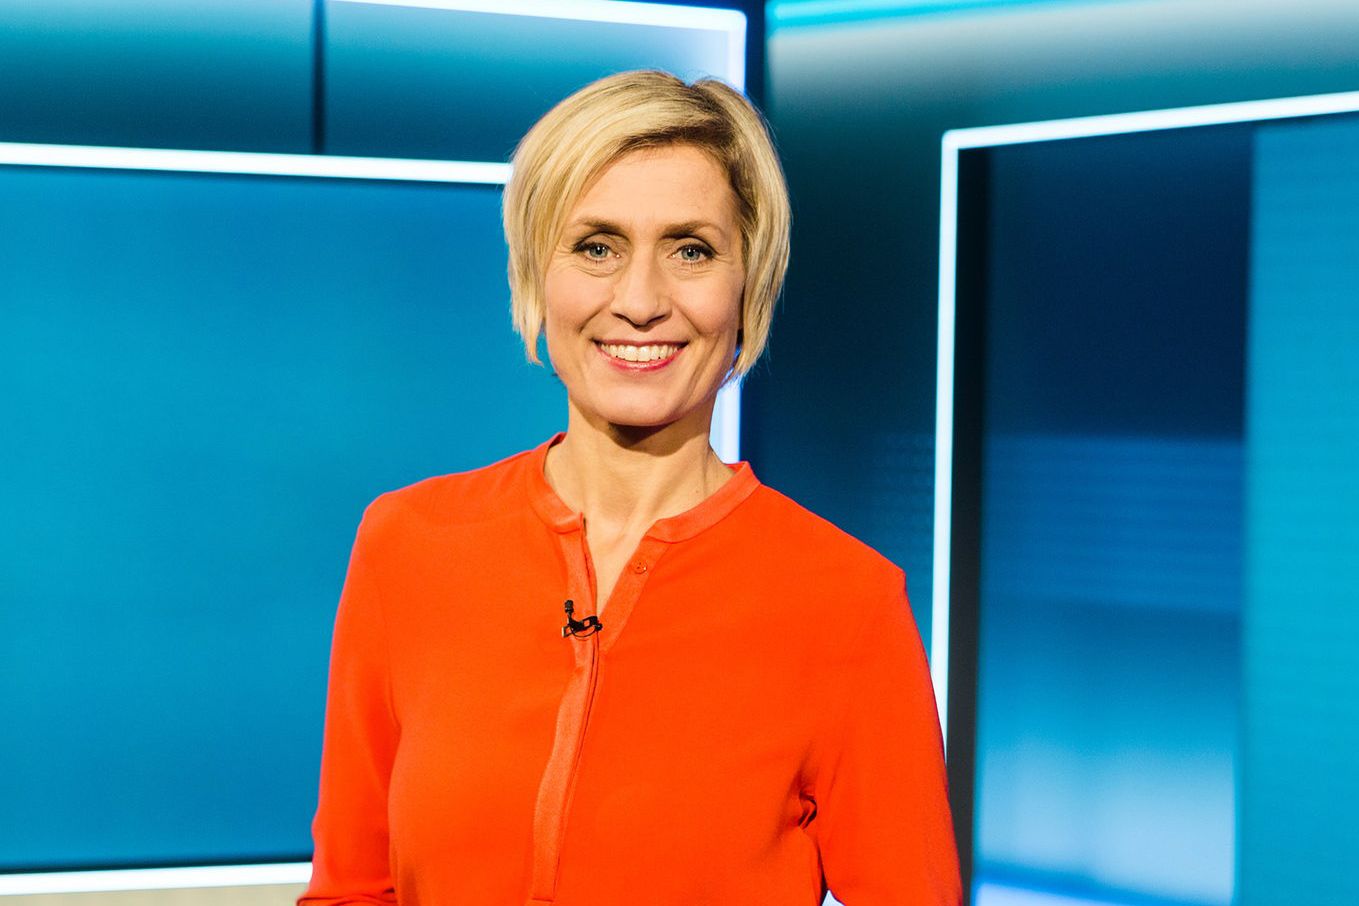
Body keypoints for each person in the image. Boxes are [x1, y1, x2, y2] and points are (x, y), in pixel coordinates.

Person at [299, 69, 960, 906]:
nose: (641, 301)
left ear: (747, 286)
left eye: (691, 250)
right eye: (596, 247)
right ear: (534, 278)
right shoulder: (409, 544)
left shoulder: (846, 601)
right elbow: (351, 889)